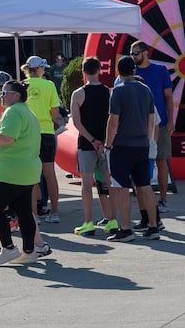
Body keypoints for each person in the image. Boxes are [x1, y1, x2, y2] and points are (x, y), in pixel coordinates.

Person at [0, 76, 44, 264]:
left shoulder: (13, 112)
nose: (0, 96)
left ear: (15, 95)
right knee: (23, 211)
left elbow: (7, 138)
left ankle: (8, 247)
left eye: (3, 93)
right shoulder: (25, 111)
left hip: (10, 171)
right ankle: (29, 252)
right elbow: (5, 134)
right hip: (26, 171)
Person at [103, 55, 161, 241]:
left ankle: (126, 228)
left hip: (122, 145)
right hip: (142, 144)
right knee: (145, 186)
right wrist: (147, 138)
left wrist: (108, 144)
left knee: (121, 187)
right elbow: (151, 119)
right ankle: (153, 226)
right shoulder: (146, 90)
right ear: (134, 71)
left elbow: (113, 121)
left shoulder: (117, 91)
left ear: (118, 72)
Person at [71, 56, 114, 237]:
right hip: (105, 145)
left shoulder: (78, 94)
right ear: (100, 70)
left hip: (87, 144)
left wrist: (92, 140)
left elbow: (77, 122)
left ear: (83, 72)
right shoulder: (109, 92)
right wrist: (103, 142)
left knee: (86, 185)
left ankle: (88, 223)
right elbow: (113, 120)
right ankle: (113, 220)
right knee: (109, 183)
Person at [132, 41, 175, 209]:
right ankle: (145, 202)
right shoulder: (131, 72)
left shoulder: (160, 70)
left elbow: (169, 97)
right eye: (131, 53)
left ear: (145, 53)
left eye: (135, 53)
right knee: (139, 163)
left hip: (160, 123)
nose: (133, 57)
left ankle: (163, 199)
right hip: (137, 124)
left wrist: (171, 120)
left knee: (161, 160)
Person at [23, 56, 64, 223]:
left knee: (31, 176)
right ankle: (54, 213)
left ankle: (33, 214)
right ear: (39, 69)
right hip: (46, 132)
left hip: (28, 134)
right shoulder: (49, 85)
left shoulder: (21, 85)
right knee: (49, 174)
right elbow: (55, 113)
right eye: (43, 68)